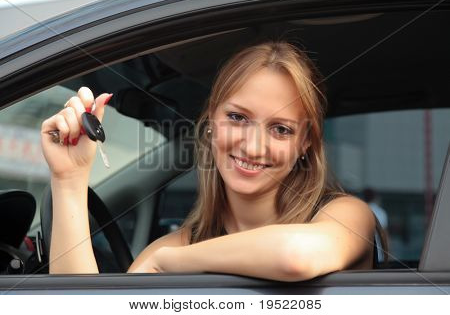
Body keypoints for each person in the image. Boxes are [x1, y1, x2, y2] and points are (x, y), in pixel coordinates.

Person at [41, 41, 383, 281]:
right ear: (210, 124)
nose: (253, 145)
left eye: (280, 129)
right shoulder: (176, 248)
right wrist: (69, 181)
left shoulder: (345, 215)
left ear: (304, 143)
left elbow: (295, 256)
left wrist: (170, 262)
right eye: (237, 118)